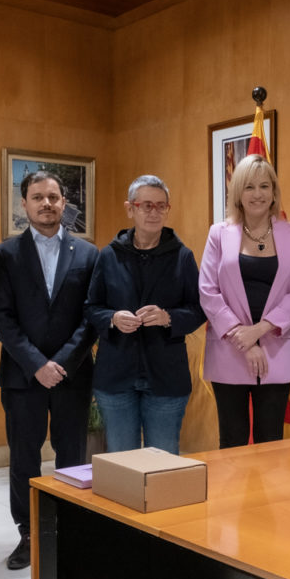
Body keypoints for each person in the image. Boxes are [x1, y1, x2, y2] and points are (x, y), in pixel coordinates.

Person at [0, 171, 97, 570]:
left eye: (53, 197)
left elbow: (90, 318)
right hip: (22, 376)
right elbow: (3, 317)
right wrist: (37, 364)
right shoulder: (5, 254)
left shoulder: (88, 254)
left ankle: (68, 531)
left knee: (72, 456)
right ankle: (28, 535)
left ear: (64, 203)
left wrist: (63, 363)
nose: (46, 204)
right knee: (23, 459)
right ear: (24, 205)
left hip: (73, 375)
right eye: (38, 197)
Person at [84, 174, 204, 454]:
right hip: (116, 376)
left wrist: (168, 318)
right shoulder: (109, 255)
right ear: (130, 209)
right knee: (122, 462)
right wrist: (112, 319)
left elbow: (199, 309)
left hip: (165, 377)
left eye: (161, 206)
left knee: (162, 463)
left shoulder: (182, 256)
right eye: (146, 205)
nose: (154, 212)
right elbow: (91, 307)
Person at [199, 155, 290, 448]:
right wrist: (244, 339)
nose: (258, 194)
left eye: (264, 186)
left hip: (275, 348)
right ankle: (232, 497)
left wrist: (259, 331)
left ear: (274, 192)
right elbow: (208, 291)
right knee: (232, 443)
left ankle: (270, 498)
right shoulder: (219, 234)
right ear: (238, 193)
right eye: (249, 187)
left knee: (271, 443)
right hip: (229, 350)